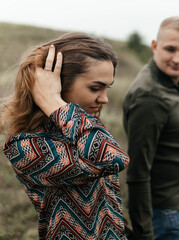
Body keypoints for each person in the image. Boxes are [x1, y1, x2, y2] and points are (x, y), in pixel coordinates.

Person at [0, 33, 131, 240]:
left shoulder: (83, 126)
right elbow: (111, 157)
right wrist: (51, 99)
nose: (104, 99)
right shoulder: (25, 146)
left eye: (107, 88)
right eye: (95, 88)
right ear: (58, 83)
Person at [122, 16, 179, 240]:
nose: (176, 59)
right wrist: (144, 234)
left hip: (169, 209)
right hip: (162, 215)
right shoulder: (151, 96)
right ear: (155, 46)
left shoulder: (167, 83)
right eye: (170, 49)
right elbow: (138, 170)